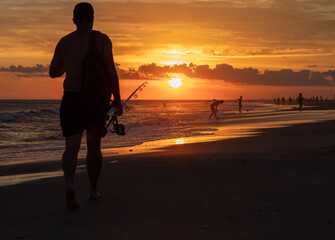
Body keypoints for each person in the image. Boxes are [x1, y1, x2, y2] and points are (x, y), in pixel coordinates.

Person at [49, 2, 123, 209]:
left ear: (73, 20)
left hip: (71, 98)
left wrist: (70, 62)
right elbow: (110, 70)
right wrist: (117, 99)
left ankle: (69, 186)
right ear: (92, 18)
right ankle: (93, 190)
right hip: (95, 100)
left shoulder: (64, 42)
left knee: (71, 147)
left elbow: (54, 72)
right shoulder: (101, 40)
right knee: (93, 147)